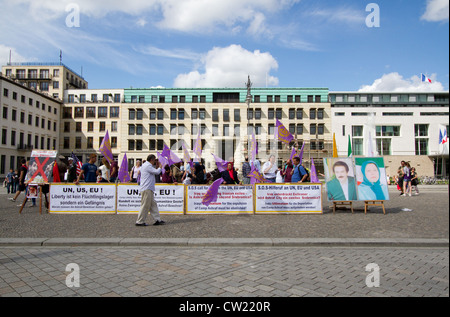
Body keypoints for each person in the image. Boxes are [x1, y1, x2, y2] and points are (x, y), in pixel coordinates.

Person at [135, 154, 165, 226]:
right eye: (154, 160)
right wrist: (160, 167)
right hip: (147, 188)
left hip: (148, 188)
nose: (155, 161)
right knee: (145, 205)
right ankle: (140, 221)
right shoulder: (147, 166)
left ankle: (157, 219)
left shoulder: (146, 165)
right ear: (151, 159)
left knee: (153, 205)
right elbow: (157, 172)